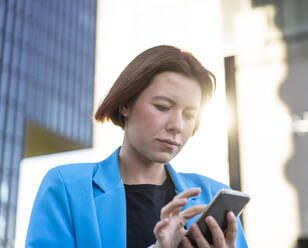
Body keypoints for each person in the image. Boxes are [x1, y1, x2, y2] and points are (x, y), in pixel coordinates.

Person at [25, 45, 248, 248]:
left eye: (189, 115)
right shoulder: (67, 187)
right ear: (125, 104)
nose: (177, 126)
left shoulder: (212, 197)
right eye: (162, 107)